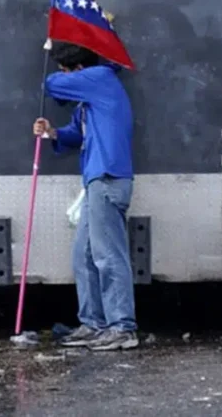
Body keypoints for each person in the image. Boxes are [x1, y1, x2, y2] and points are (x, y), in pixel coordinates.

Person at [31, 42, 138, 351]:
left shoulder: (101, 79)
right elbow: (75, 136)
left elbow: (49, 84)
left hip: (107, 177)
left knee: (107, 255)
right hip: (98, 181)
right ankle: (94, 323)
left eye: (67, 72)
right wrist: (52, 133)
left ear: (80, 71)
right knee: (85, 255)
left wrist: (49, 62)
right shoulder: (90, 101)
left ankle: (122, 327)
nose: (64, 80)